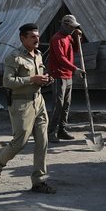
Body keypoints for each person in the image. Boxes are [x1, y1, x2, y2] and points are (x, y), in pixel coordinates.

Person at [0, 23, 55, 194]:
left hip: (39, 101)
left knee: (42, 141)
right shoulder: (14, 57)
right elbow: (7, 82)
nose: (37, 39)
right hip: (21, 104)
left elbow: (39, 76)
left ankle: (39, 181)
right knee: (20, 142)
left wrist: (46, 79)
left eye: (38, 36)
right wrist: (32, 79)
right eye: (32, 36)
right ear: (23, 38)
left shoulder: (38, 55)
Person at [47, 14, 83, 143]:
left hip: (68, 76)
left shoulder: (68, 37)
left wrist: (78, 37)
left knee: (66, 104)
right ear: (65, 25)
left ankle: (62, 130)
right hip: (58, 75)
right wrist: (75, 69)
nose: (73, 29)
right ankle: (51, 132)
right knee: (58, 104)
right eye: (72, 27)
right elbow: (61, 59)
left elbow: (76, 50)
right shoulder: (56, 39)